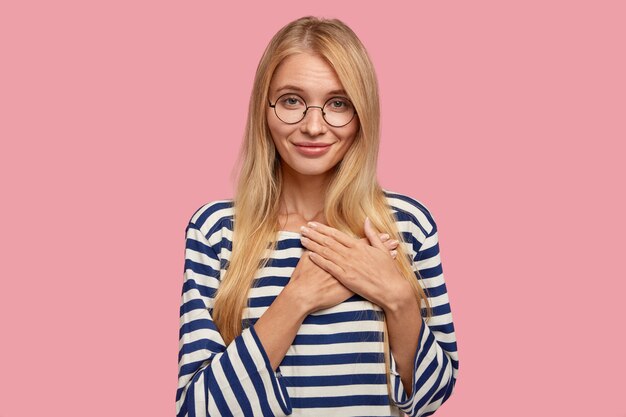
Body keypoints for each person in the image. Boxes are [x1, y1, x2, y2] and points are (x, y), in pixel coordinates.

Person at [176, 16, 458, 417]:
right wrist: (297, 298)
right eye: (292, 100)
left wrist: (398, 299)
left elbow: (432, 397)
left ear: (362, 114)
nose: (313, 126)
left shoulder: (406, 224)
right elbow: (198, 410)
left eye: (338, 104)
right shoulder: (216, 230)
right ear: (264, 109)